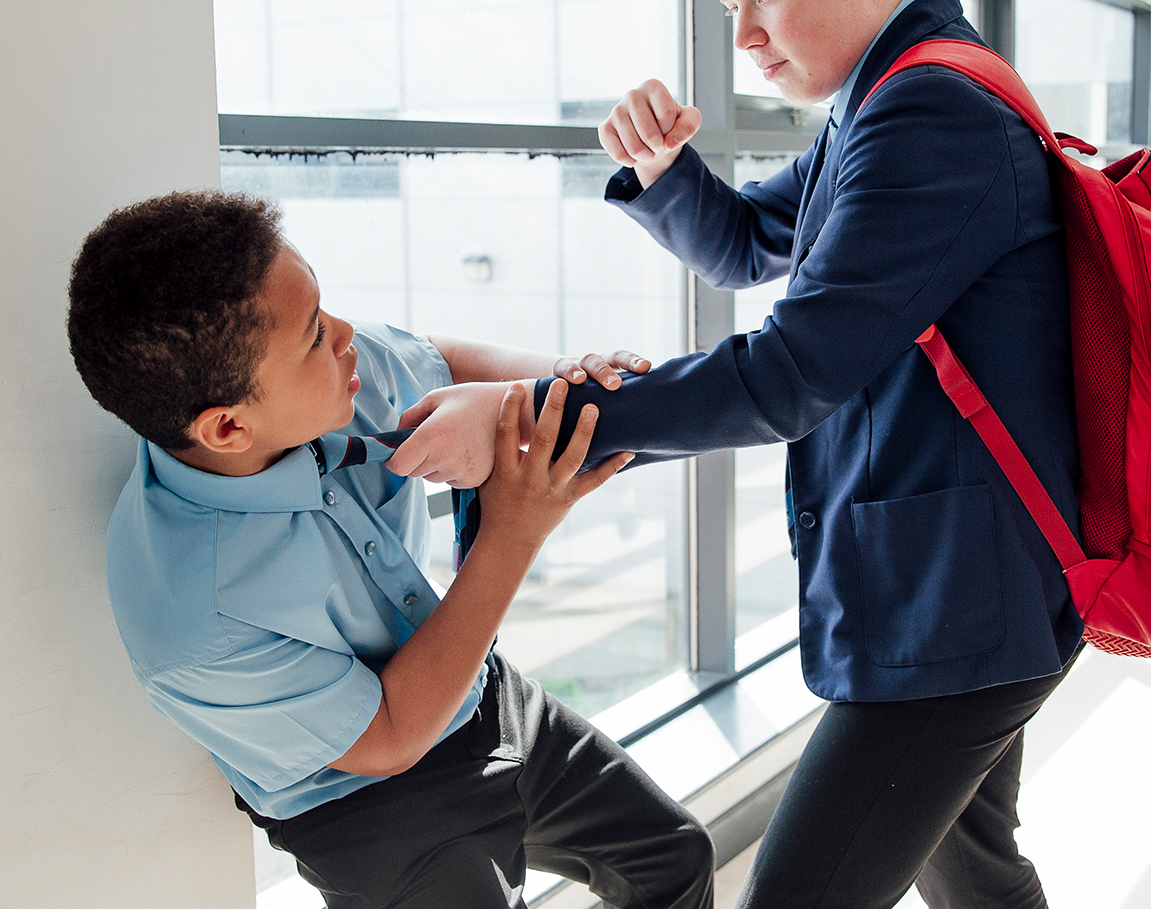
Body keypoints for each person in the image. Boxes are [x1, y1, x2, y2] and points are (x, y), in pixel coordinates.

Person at [390, 0, 1082, 909]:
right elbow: (754, 244)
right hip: (972, 586)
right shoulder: (889, 91)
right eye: (730, 6)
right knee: (979, 872)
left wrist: (535, 415)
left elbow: (789, 374)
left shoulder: (929, 110)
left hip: (957, 604)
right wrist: (666, 172)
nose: (747, 37)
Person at [64, 190, 714, 908]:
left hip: (478, 692)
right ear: (226, 428)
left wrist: (566, 382)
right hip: (367, 803)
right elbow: (390, 735)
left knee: (674, 858)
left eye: (324, 309)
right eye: (314, 334)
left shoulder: (324, 377)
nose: (347, 334)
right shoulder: (193, 621)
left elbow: (439, 362)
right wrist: (513, 533)